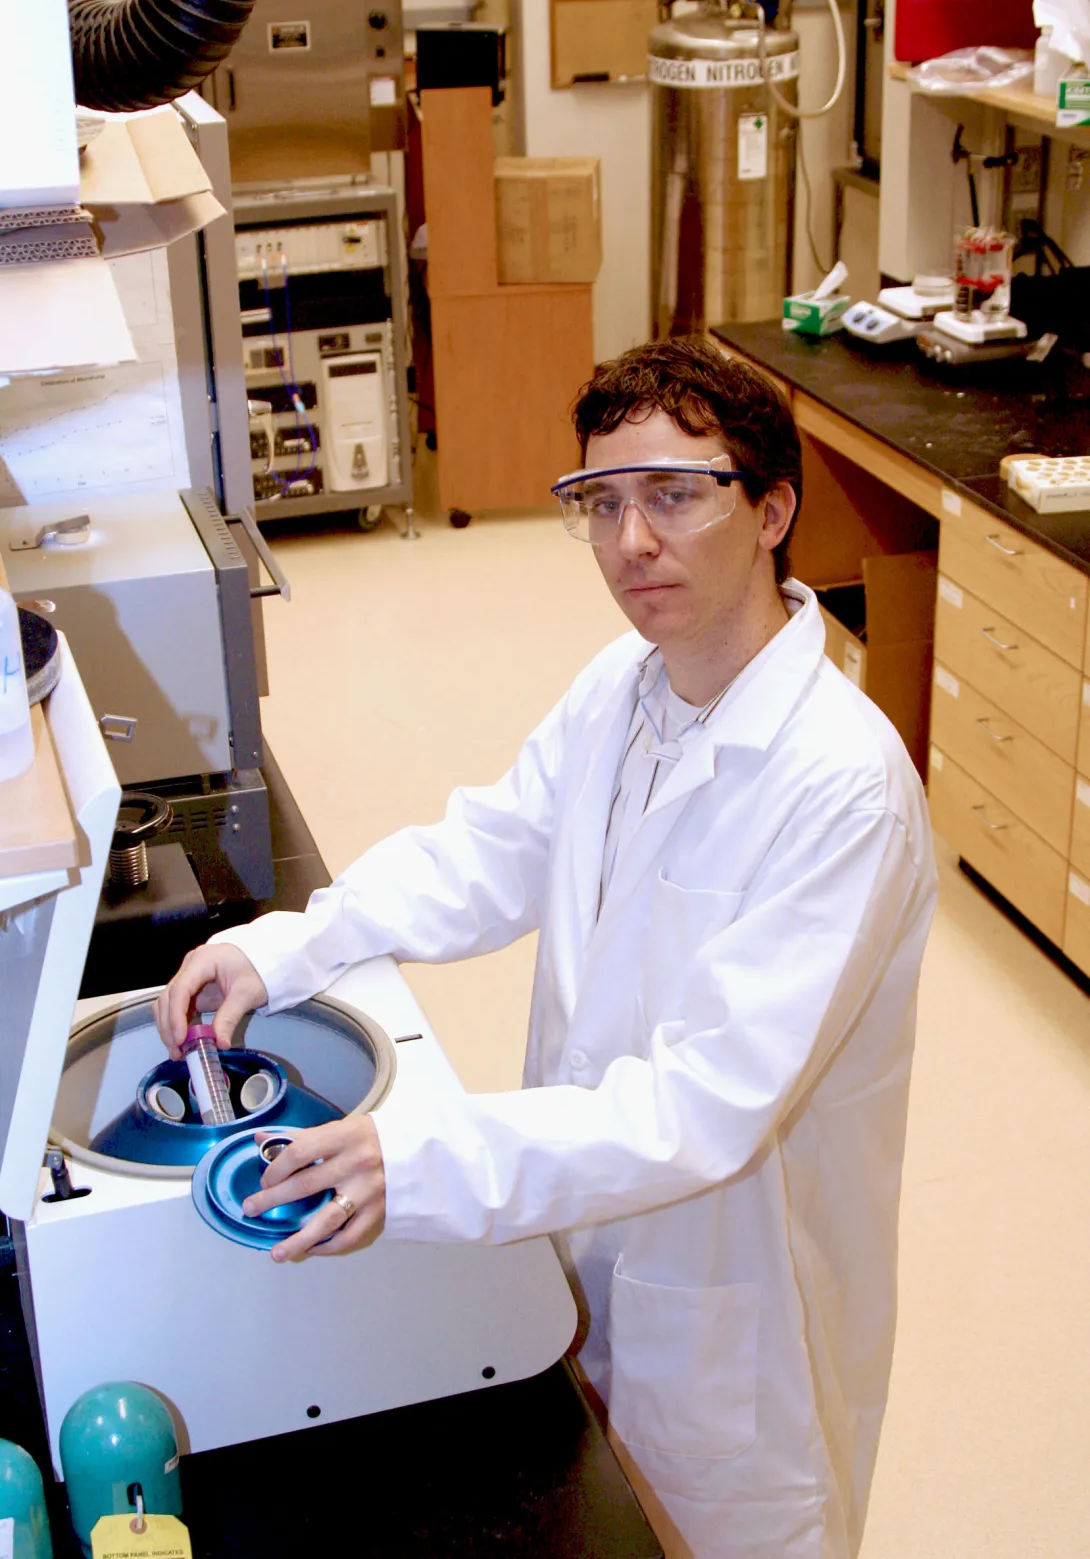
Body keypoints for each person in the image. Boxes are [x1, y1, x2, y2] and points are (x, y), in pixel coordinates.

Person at [155, 338, 937, 1559]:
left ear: (773, 507)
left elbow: (703, 1107)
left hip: (741, 1304)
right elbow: (490, 851)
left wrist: (416, 1162)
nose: (633, 543)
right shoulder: (623, 690)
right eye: (602, 503)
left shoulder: (841, 787)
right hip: (586, 1224)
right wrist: (295, 945)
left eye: (676, 494)